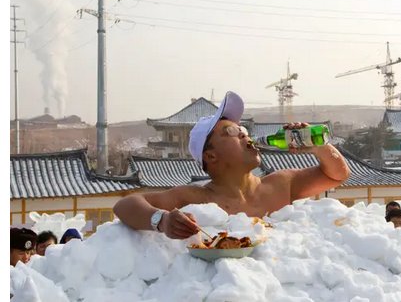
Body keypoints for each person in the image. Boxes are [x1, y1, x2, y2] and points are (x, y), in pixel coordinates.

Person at [114, 91, 351, 239]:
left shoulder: (281, 183)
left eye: (245, 130)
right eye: (232, 131)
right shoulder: (196, 198)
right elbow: (125, 205)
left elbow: (337, 175)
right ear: (211, 156)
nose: (244, 135)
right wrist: (162, 221)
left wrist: (318, 146)